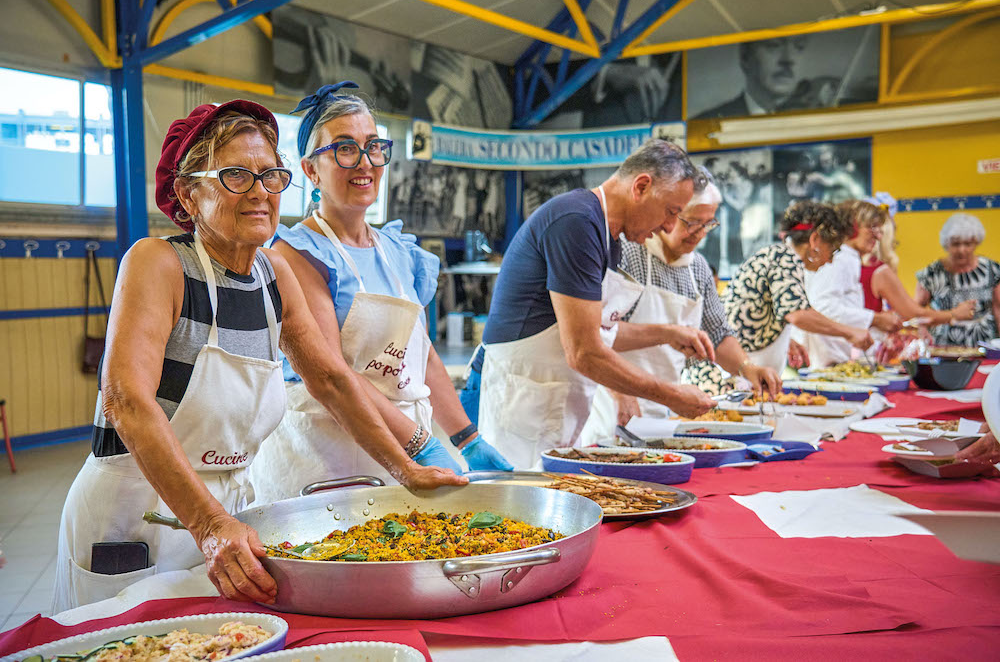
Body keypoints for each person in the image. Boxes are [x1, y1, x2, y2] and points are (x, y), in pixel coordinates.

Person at [54, 100, 465, 613]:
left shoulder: (273, 275)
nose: (259, 193)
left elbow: (333, 381)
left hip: (231, 517)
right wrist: (208, 525)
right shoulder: (158, 263)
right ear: (188, 193)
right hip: (133, 513)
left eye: (270, 176)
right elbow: (126, 401)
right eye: (234, 176)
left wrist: (406, 468)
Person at [249, 84, 512, 505]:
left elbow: (422, 355)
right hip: (326, 453)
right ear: (311, 171)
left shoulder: (399, 252)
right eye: (345, 149)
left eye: (374, 146)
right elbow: (332, 374)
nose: (365, 162)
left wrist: (467, 439)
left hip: (403, 450)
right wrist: (420, 446)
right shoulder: (297, 254)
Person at [477, 140, 719, 470]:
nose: (667, 226)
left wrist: (666, 332)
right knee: (514, 511)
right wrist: (671, 395)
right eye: (671, 212)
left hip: (554, 405)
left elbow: (599, 331)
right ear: (642, 186)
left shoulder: (609, 238)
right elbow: (584, 351)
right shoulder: (576, 222)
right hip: (524, 404)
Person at [581, 170, 782, 442]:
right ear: (669, 214)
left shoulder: (697, 269)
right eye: (692, 222)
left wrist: (748, 368)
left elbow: (717, 334)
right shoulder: (627, 252)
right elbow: (597, 334)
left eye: (708, 224)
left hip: (664, 406)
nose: (699, 233)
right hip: (612, 402)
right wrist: (620, 391)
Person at [723, 201, 874, 373]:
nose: (830, 260)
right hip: (733, 374)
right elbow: (798, 315)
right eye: (832, 250)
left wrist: (786, 340)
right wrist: (850, 332)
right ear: (815, 239)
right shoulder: (784, 257)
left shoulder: (778, 256)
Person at [799, 199, 903, 366]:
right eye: (871, 227)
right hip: (823, 363)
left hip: (832, 360)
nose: (878, 235)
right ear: (851, 228)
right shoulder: (841, 258)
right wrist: (875, 319)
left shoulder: (848, 257)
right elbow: (823, 306)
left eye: (879, 228)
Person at [859, 194, 977, 324]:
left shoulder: (858, 266)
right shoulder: (878, 271)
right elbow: (911, 311)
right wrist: (954, 314)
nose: (962, 250)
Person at [915, 213, 1000, 346]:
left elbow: (998, 309)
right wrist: (921, 329)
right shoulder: (931, 273)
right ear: (946, 243)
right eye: (956, 244)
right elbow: (916, 309)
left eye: (968, 244)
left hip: (986, 345)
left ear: (976, 242)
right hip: (943, 347)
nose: (962, 250)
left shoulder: (992, 269)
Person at [693, 36, 808, 119]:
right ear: (745, 57)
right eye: (774, 45)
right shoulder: (704, 123)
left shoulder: (811, 120)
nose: (789, 59)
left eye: (799, 47)